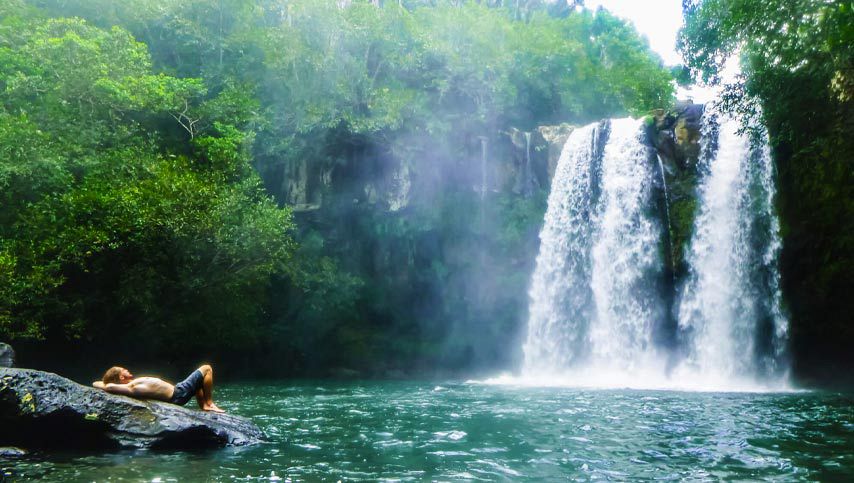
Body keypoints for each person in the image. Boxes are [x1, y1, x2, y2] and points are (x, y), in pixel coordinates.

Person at [93, 364, 224, 413]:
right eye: (124, 370)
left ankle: (204, 406)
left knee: (199, 382)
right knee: (207, 369)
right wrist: (107, 384)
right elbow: (108, 386)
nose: (127, 369)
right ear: (121, 377)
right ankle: (209, 404)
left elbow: (96, 383)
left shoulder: (131, 383)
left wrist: (104, 383)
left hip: (177, 392)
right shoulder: (131, 386)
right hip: (178, 394)